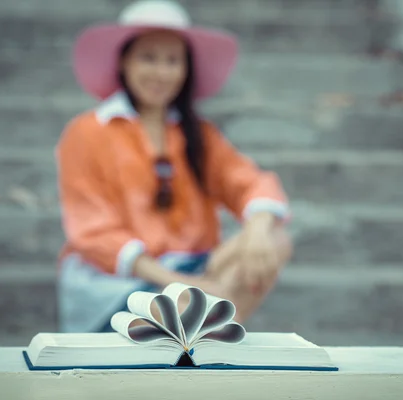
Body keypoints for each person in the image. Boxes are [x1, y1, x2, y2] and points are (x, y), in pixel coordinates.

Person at [55, 0, 292, 333]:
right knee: (180, 308)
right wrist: (177, 282)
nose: (161, 72)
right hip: (120, 283)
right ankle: (205, 332)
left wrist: (258, 225)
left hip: (194, 270)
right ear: (124, 61)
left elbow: (248, 181)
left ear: (186, 69)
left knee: (274, 239)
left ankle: (201, 332)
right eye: (148, 58)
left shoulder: (198, 134)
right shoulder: (87, 132)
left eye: (172, 60)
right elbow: (93, 232)